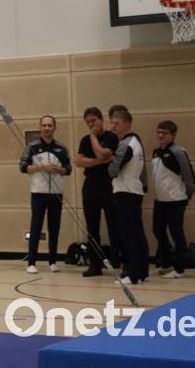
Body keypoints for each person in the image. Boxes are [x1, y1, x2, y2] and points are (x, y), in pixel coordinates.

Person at [19, 116, 72, 274]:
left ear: (54, 127)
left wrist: (59, 170)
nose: (47, 128)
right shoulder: (32, 146)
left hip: (56, 194)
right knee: (36, 227)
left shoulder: (61, 148)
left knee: (54, 227)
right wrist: (41, 167)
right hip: (38, 193)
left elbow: (68, 169)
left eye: (50, 125)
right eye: (44, 125)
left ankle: (53, 262)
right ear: (40, 127)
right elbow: (22, 167)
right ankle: (31, 263)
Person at [74, 107, 122, 277]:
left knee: (114, 225)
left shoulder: (111, 137)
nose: (91, 124)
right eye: (88, 122)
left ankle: (117, 261)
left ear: (101, 119)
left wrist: (94, 137)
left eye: (93, 120)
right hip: (91, 186)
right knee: (92, 228)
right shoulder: (84, 140)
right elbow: (79, 161)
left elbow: (104, 153)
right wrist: (99, 161)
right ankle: (95, 265)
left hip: (108, 185)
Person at [108, 109, 149, 285]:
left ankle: (132, 274)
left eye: (116, 123)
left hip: (125, 192)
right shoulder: (137, 142)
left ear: (127, 124)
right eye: (112, 122)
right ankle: (142, 272)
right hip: (135, 191)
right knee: (137, 233)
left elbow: (112, 170)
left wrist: (108, 159)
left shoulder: (126, 144)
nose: (113, 126)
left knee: (128, 234)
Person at [151, 120, 195, 279]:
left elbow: (189, 175)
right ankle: (167, 263)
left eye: (165, 133)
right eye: (159, 132)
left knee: (177, 233)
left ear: (173, 135)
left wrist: (188, 193)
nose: (161, 135)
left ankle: (180, 269)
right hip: (160, 200)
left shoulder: (178, 152)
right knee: (157, 230)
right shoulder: (156, 152)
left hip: (176, 200)